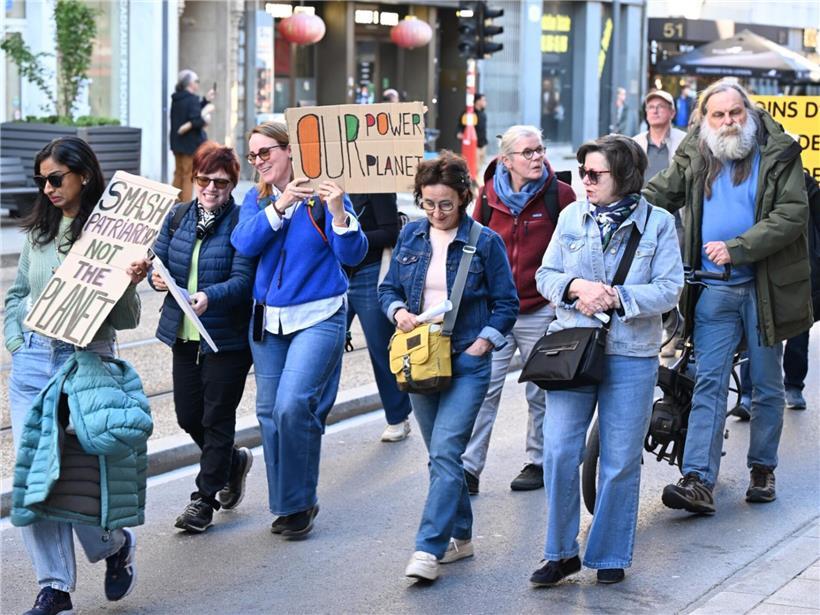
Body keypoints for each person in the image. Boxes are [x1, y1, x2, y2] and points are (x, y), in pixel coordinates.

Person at [643, 79, 812, 513]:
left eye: (735, 112)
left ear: (748, 112)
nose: (729, 122)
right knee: (708, 382)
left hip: (765, 287)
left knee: (767, 383)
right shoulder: (698, 150)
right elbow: (662, 190)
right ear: (704, 119)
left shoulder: (778, 151)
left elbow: (792, 215)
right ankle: (698, 478)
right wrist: (617, 204)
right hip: (713, 288)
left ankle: (762, 469)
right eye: (718, 115)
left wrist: (738, 247)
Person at [4, 136, 150, 615]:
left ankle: (114, 545)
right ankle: (54, 588)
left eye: (55, 178)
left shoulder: (112, 236)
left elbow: (127, 319)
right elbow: (17, 294)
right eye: (40, 180)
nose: (46, 188)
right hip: (32, 364)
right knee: (33, 479)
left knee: (78, 478)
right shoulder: (38, 234)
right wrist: (16, 341)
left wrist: (130, 282)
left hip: (85, 363)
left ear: (83, 175)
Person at [531, 135, 683, 587]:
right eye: (583, 173)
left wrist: (619, 296)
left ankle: (610, 552)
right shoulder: (571, 215)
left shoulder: (657, 223)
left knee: (619, 460)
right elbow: (545, 275)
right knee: (559, 451)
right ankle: (560, 553)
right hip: (572, 350)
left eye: (595, 174)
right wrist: (577, 288)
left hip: (632, 354)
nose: (586, 181)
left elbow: (670, 288)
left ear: (625, 177)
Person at [379, 152, 518, 582]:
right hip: (419, 358)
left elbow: (506, 303)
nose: (436, 213)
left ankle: (428, 548)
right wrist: (398, 310)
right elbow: (388, 289)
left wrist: (482, 344)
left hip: (466, 359)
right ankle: (462, 535)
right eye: (427, 203)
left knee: (444, 452)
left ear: (463, 198)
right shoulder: (412, 236)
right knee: (441, 457)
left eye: (445, 204)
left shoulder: (486, 241)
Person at [231, 121, 368, 539]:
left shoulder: (325, 195)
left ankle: (301, 500)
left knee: (294, 406)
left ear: (291, 150)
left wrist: (341, 212)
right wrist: (282, 204)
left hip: (319, 316)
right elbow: (244, 242)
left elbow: (354, 254)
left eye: (266, 152)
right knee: (269, 413)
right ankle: (288, 504)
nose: (259, 162)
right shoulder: (257, 200)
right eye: (253, 156)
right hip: (269, 321)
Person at [462, 125, 575, 495]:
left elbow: (576, 251)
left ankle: (537, 462)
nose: (537, 157)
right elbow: (475, 245)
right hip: (497, 311)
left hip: (542, 308)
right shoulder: (488, 194)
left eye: (539, 149)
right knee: (482, 390)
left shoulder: (560, 195)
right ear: (506, 160)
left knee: (541, 392)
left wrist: (565, 301)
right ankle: (468, 468)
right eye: (527, 152)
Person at [149, 142, 255, 533]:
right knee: (188, 415)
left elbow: (244, 280)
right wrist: (154, 278)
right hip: (184, 333)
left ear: (233, 184)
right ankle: (232, 462)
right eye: (204, 180)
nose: (211, 188)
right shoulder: (177, 217)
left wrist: (211, 296)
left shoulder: (243, 222)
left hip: (226, 338)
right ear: (194, 179)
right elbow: (156, 260)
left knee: (216, 417)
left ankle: (204, 501)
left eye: (221, 182)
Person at [345, 192, 412, 441]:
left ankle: (397, 417)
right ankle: (310, 423)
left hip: (369, 273)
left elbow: (390, 232)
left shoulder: (376, 185)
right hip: (334, 275)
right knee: (323, 353)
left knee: (381, 348)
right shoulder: (325, 184)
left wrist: (349, 236)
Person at [632, 90, 688, 357]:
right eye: (650, 106)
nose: (654, 111)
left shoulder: (684, 142)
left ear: (672, 112)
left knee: (675, 276)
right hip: (644, 220)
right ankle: (668, 326)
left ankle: (678, 330)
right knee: (646, 275)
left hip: (677, 221)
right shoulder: (634, 143)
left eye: (661, 107)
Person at [170, 69, 216, 202]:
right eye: (196, 81)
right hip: (189, 144)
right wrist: (205, 118)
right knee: (189, 175)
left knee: (178, 173)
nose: (198, 83)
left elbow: (190, 112)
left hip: (177, 143)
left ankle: (172, 203)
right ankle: (184, 206)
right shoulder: (192, 99)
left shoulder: (177, 98)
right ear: (190, 83)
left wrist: (205, 101)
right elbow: (196, 120)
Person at [457, 93, 488, 173]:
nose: (485, 102)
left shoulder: (483, 113)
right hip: (474, 145)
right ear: (477, 101)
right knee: (474, 167)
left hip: (483, 143)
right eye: (483, 100)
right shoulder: (468, 113)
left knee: (480, 166)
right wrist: (459, 133)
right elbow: (460, 125)